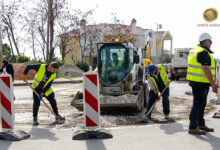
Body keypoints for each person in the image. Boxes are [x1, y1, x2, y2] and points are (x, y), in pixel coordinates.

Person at [187, 33, 217, 135]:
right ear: (205, 42)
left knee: (201, 104)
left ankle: (200, 124)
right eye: (210, 41)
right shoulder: (203, 52)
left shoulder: (194, 51)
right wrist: (213, 83)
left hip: (198, 82)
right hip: (200, 82)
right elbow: (205, 68)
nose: (211, 43)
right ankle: (192, 127)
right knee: (198, 104)